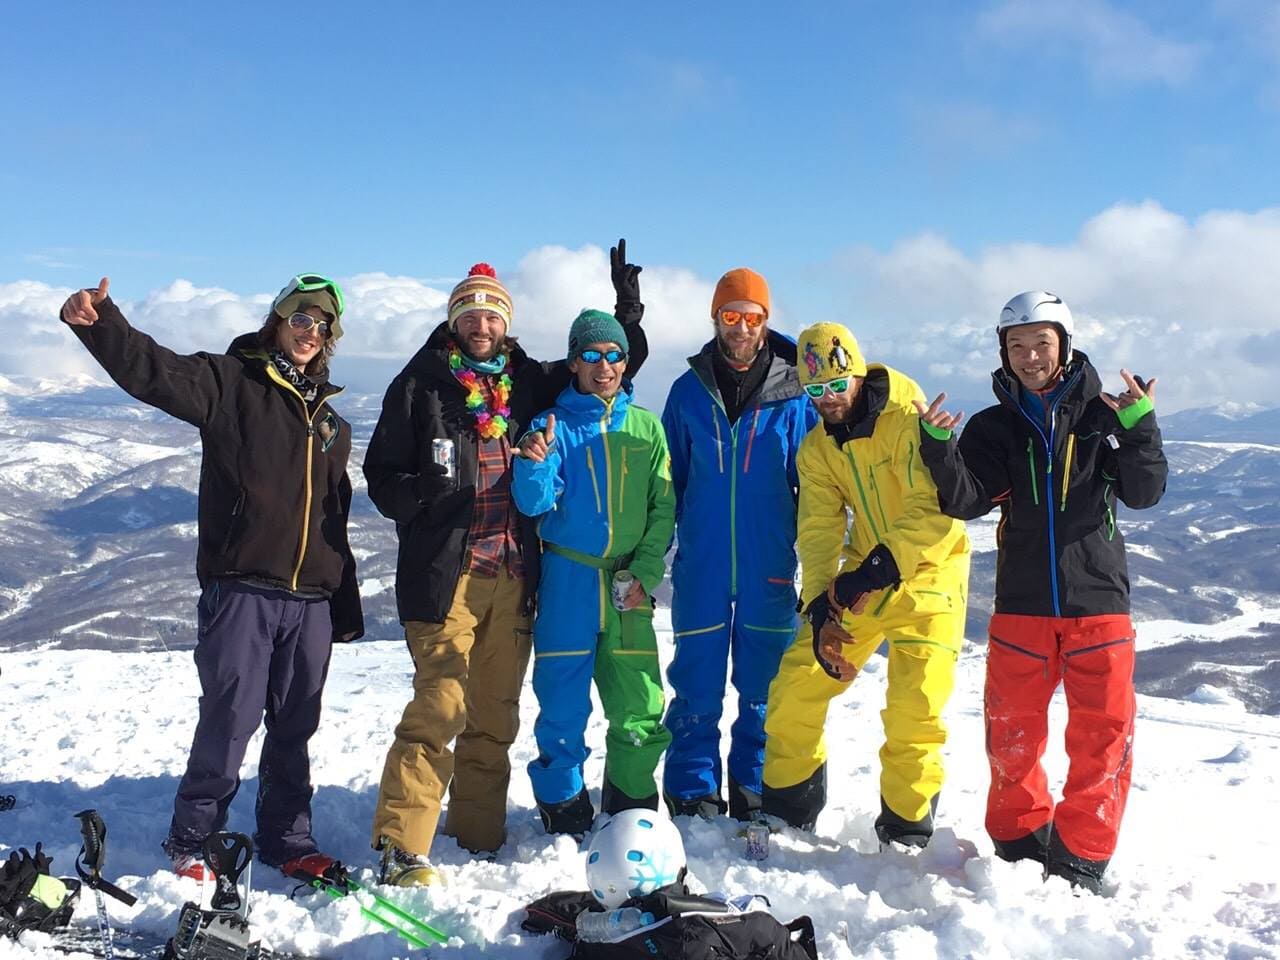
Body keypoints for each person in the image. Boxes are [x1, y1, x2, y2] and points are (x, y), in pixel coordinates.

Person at [58, 274, 363, 883]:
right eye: (300, 319)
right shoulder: (230, 382)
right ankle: (193, 837)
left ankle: (287, 837)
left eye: (321, 325)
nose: (310, 332)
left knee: (295, 724)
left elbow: (334, 516)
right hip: (244, 586)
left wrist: (342, 601)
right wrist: (104, 324)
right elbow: (156, 372)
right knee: (231, 716)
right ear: (277, 321)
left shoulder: (331, 422)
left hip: (310, 601)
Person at [363, 243, 647, 883]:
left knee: (494, 716)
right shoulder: (419, 385)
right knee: (439, 708)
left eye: (493, 315)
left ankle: (476, 834)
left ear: (505, 323)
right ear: (455, 320)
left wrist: (627, 312)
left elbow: (606, 367)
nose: (482, 325)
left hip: (515, 575)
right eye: (471, 314)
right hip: (448, 577)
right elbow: (380, 477)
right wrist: (425, 494)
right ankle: (401, 846)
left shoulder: (528, 381)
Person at [916, 291, 1166, 892]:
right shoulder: (993, 427)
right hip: (1021, 605)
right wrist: (937, 450)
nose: (1030, 356)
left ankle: (1082, 852)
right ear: (1003, 352)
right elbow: (966, 500)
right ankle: (1018, 837)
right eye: (1017, 345)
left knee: (1101, 737)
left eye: (1042, 343)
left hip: (1098, 603)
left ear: (1065, 345)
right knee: (1012, 731)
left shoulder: (1104, 416)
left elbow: (1144, 492)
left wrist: (1141, 430)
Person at [760, 322, 970, 848]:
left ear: (855, 372)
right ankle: (788, 811)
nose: (828, 399)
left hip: (930, 577)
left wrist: (873, 571)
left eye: (836, 384)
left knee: (913, 710)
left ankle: (905, 831)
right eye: (814, 390)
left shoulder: (908, 420)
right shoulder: (817, 450)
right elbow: (818, 529)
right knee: (797, 683)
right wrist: (819, 607)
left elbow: (934, 513)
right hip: (864, 576)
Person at [659, 268, 816, 820]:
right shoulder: (686, 393)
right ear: (716, 318)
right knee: (695, 685)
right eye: (732, 316)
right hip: (701, 563)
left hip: (768, 562)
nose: (742, 327)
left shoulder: (795, 395)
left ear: (766, 322)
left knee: (762, 687)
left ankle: (755, 786)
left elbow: (819, 483)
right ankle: (692, 790)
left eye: (753, 317)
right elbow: (668, 481)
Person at [511, 309, 675, 835]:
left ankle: (630, 799)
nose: (604, 366)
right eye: (591, 355)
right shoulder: (550, 424)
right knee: (562, 698)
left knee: (640, 699)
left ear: (625, 362)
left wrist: (646, 572)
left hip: (627, 582)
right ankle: (564, 805)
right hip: (569, 579)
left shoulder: (646, 426)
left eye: (614, 355)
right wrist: (534, 462)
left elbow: (662, 508)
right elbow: (533, 503)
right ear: (574, 361)